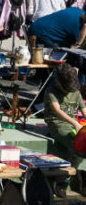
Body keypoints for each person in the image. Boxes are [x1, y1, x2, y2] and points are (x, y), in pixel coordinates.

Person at [44, 64, 86, 194]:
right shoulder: (51, 91)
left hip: (75, 125)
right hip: (57, 124)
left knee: (82, 147)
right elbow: (57, 110)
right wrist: (75, 123)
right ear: (58, 81)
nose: (70, 92)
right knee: (78, 148)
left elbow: (83, 109)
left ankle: (69, 177)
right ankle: (63, 179)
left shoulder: (76, 92)